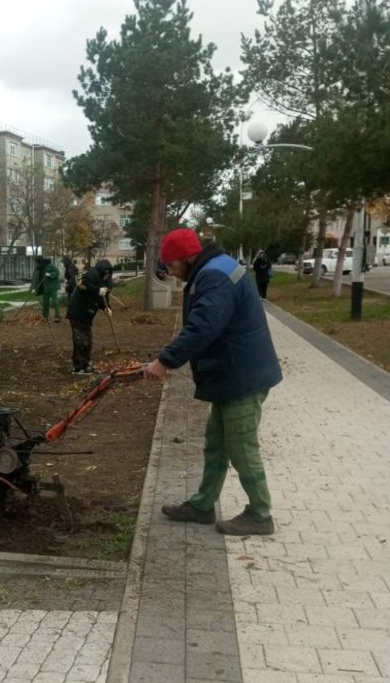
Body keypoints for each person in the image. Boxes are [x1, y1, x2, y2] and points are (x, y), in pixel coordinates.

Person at [143, 228, 282, 536]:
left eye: (170, 264)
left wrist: (165, 361)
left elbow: (203, 326)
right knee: (217, 444)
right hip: (232, 372)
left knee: (242, 446)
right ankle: (203, 505)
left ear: (185, 258)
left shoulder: (214, 277)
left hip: (243, 375)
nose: (169, 271)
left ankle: (260, 514)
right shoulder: (212, 269)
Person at [65, 258, 114, 375]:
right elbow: (83, 284)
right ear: (102, 271)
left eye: (109, 274)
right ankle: (78, 367)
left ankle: (85, 364)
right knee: (80, 340)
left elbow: (103, 297)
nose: (107, 276)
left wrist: (106, 307)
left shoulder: (104, 282)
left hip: (87, 314)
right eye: (106, 273)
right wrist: (97, 290)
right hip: (78, 312)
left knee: (88, 340)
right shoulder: (91, 274)